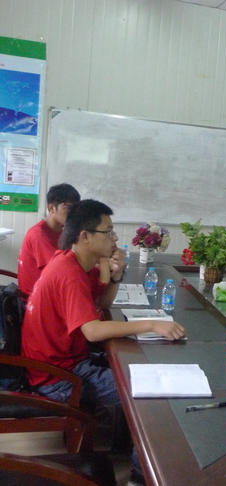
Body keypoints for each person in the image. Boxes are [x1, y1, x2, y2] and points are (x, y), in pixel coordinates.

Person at [21, 199, 186, 486]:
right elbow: (93, 331)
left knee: (136, 367)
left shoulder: (73, 262)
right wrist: (152, 324)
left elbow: (101, 303)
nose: (115, 237)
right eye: (108, 231)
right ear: (85, 236)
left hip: (63, 361)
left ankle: (123, 445)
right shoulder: (68, 273)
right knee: (151, 393)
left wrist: (115, 274)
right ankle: (138, 477)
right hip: (58, 377)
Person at [18, 183, 81, 298]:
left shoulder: (61, 232)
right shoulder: (39, 235)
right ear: (51, 208)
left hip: (50, 292)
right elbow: (61, 271)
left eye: (76, 209)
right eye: (68, 208)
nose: (74, 214)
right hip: (35, 300)